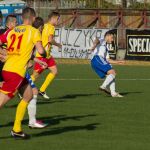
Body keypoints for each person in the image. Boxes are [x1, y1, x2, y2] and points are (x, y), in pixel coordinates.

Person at [0, 7, 46, 139]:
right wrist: (44, 53)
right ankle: (16, 129)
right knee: (1, 102)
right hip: (16, 72)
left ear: (22, 17)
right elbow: (41, 50)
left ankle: (16, 129)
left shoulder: (13, 30)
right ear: (33, 18)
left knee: (29, 95)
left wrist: (2, 53)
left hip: (9, 68)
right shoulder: (34, 31)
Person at [31, 11, 62, 99]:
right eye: (58, 19)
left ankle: (42, 90)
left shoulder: (44, 25)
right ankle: (22, 90)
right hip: (42, 55)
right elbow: (50, 40)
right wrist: (58, 45)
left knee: (54, 71)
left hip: (47, 55)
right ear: (54, 18)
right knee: (35, 75)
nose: (58, 21)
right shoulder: (51, 27)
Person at [91, 31, 124, 97]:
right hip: (97, 59)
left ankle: (113, 93)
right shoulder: (103, 40)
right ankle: (103, 86)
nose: (112, 40)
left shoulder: (105, 48)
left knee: (111, 74)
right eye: (112, 38)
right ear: (107, 36)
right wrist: (94, 46)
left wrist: (117, 62)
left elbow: (107, 60)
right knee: (113, 72)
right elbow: (97, 40)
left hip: (95, 62)